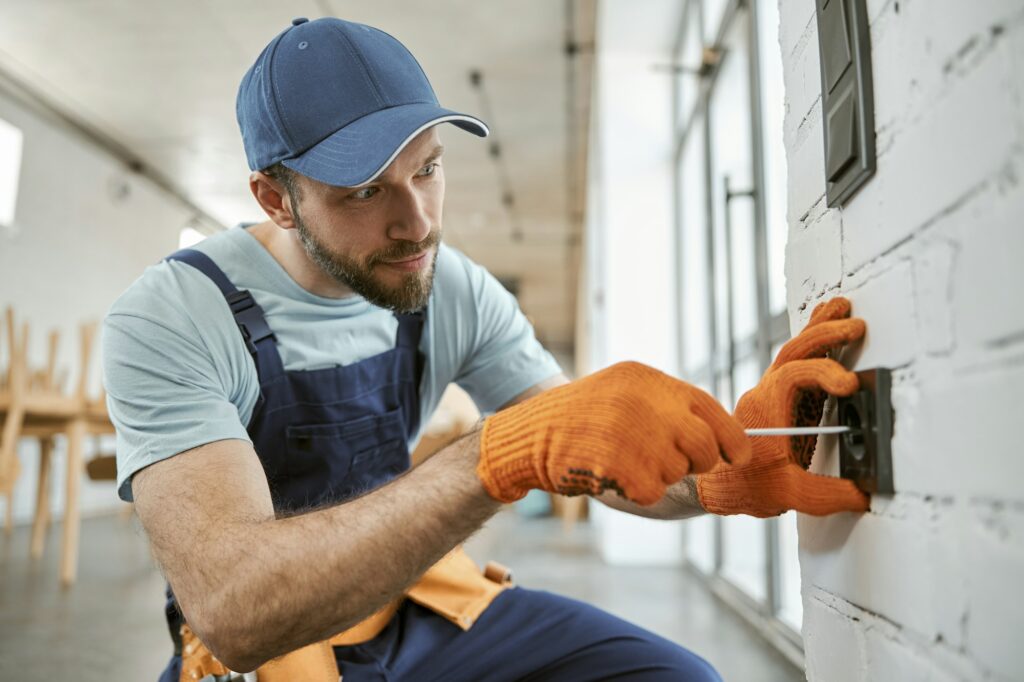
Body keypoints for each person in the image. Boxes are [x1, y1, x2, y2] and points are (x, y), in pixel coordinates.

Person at [102, 16, 870, 682]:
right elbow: (236, 609)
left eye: (427, 169)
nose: (418, 223)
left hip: (417, 606)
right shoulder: (172, 316)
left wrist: (723, 473)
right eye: (366, 191)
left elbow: (593, 458)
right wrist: (490, 458)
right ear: (276, 198)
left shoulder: (447, 287)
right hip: (267, 656)